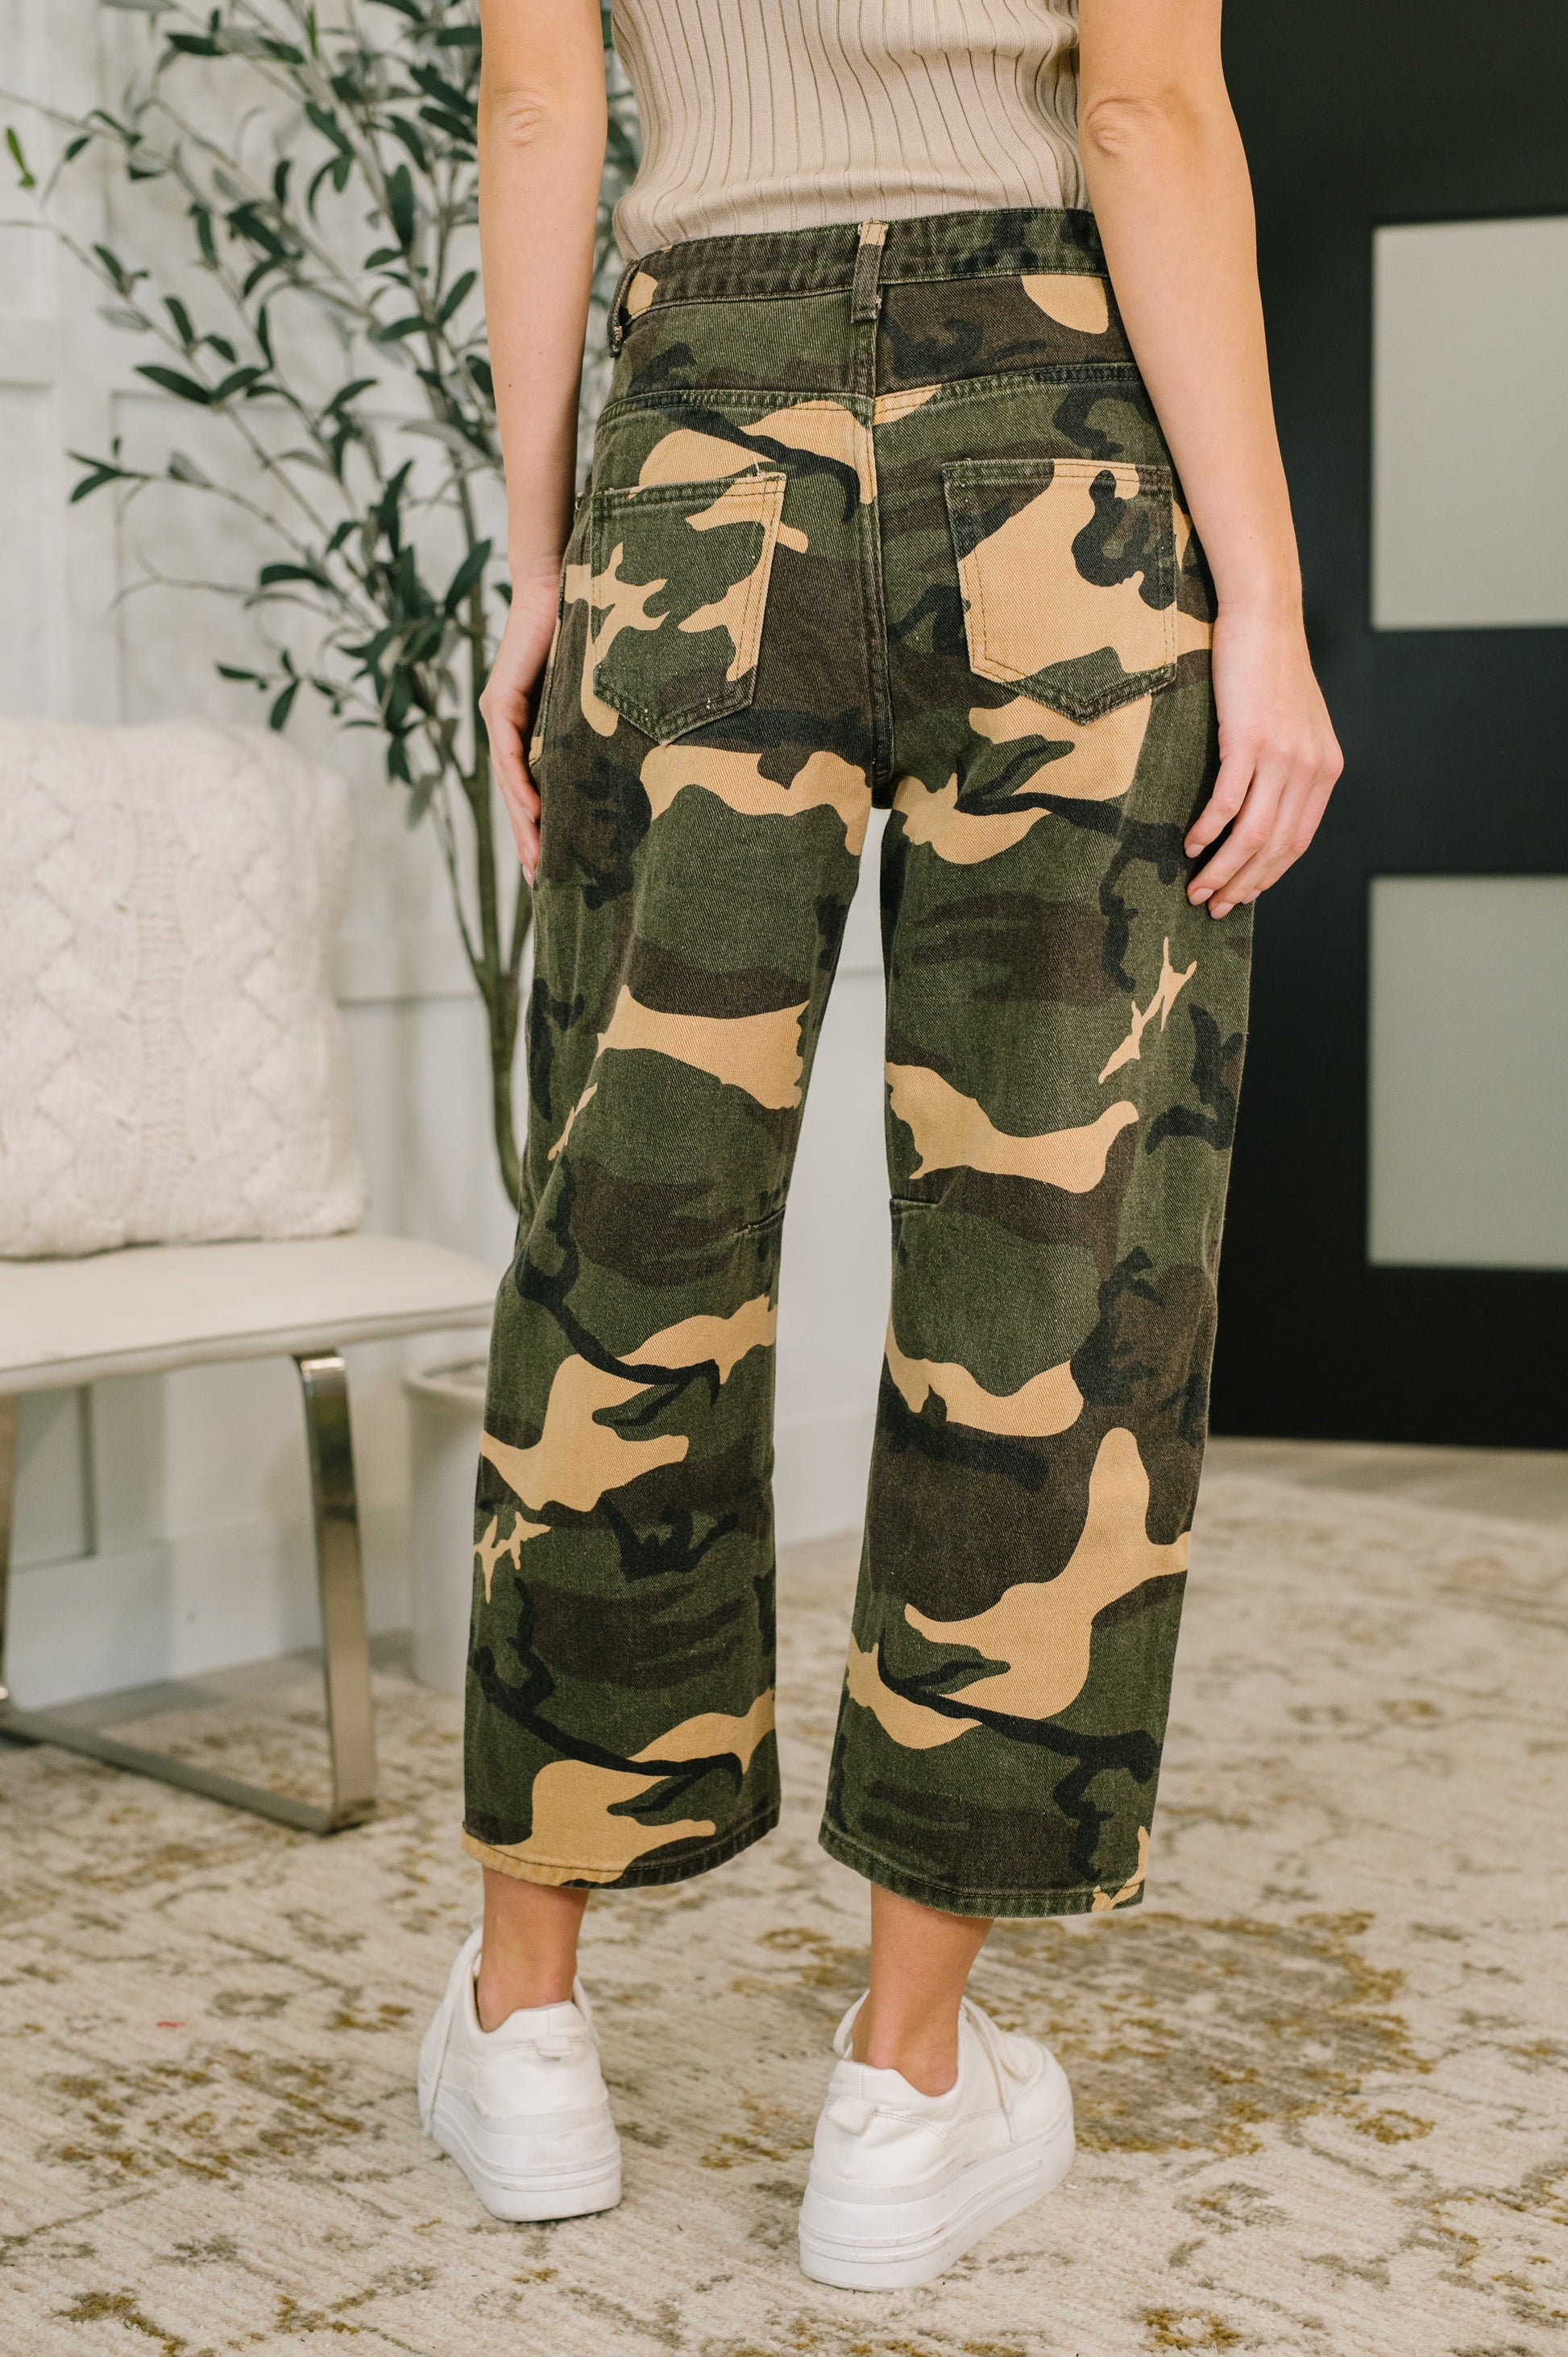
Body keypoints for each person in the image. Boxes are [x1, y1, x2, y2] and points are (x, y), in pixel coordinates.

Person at [417, 0, 1342, 2291]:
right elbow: (1137, 104)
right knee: (1051, 1258)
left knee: (621, 1243)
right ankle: (903, 2083)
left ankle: (526, 2027)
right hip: (1051, 453)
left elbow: (544, 103)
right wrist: (1264, 600)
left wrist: (538, 566)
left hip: (695, 450)